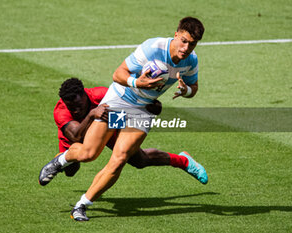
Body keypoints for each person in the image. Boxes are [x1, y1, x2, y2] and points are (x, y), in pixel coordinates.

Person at [39, 16, 207, 221]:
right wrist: (138, 83)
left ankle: (82, 205)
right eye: (184, 40)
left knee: (119, 159)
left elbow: (194, 88)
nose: (186, 48)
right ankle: (62, 159)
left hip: (141, 111)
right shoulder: (153, 48)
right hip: (120, 102)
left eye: (192, 44)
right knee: (88, 154)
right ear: (176, 34)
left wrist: (185, 90)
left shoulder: (191, 61)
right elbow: (118, 74)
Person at [43, 77, 199, 180]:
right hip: (75, 135)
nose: (75, 111)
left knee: (139, 160)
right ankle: (62, 158)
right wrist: (91, 114)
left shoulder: (102, 95)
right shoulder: (61, 111)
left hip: (105, 124)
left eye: (78, 105)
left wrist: (149, 106)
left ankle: (184, 161)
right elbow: (76, 137)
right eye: (72, 108)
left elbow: (129, 103)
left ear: (85, 95)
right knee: (71, 170)